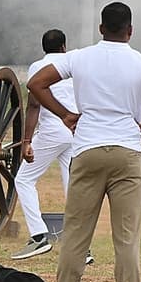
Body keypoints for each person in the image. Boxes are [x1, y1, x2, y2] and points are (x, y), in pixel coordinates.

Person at [28, 2, 141, 282]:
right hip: (128, 152)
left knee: (75, 235)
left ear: (101, 29)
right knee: (126, 239)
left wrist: (65, 115)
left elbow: (36, 84)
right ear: (130, 30)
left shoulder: (80, 57)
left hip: (86, 149)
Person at [11, 29, 92, 265]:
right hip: (76, 130)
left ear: (44, 48)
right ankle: (82, 248)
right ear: (64, 47)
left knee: (23, 180)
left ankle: (38, 236)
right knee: (73, 188)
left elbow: (34, 106)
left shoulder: (38, 67)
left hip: (53, 130)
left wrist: (26, 142)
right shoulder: (75, 65)